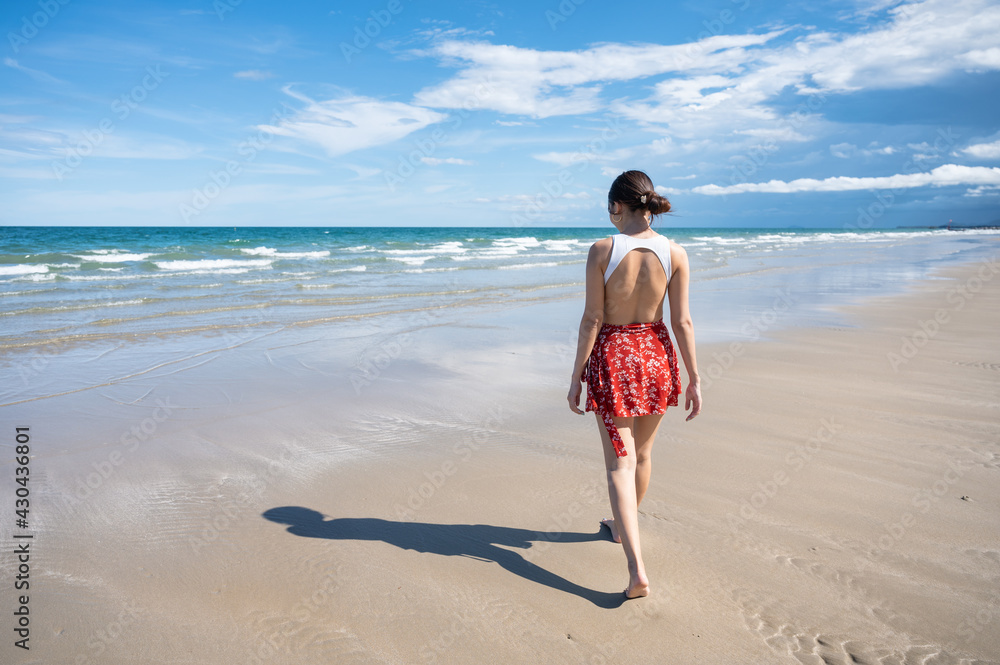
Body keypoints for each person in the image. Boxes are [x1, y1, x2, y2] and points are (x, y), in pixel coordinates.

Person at [567, 169, 701, 600]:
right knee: (641, 454)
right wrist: (694, 378)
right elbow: (681, 321)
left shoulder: (603, 250)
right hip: (657, 356)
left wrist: (576, 377)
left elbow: (592, 319)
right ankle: (622, 528)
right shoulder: (675, 252)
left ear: (615, 206)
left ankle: (636, 568)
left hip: (614, 358)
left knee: (618, 464)